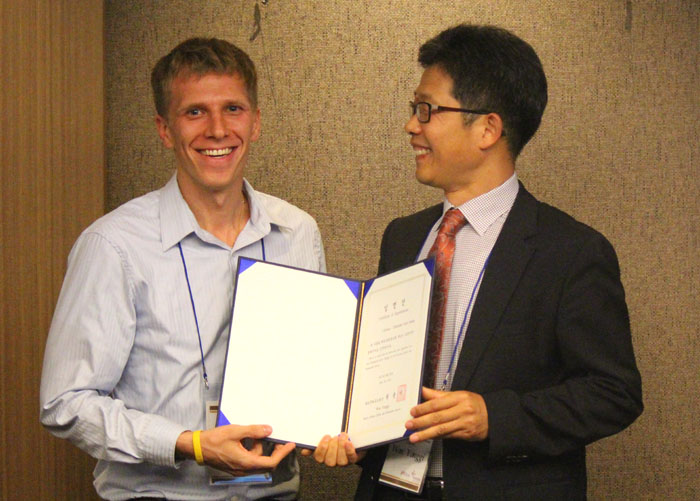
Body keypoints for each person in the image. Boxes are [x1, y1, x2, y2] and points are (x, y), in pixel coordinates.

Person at [347, 24, 643, 500]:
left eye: (428, 110)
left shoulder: (572, 252)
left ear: (488, 127)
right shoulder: (402, 237)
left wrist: (494, 417)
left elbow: (615, 394)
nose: (411, 126)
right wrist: (354, 431)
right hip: (392, 488)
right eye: (413, 109)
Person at [40, 38, 325, 500]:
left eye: (233, 109)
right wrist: (188, 444)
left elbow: (313, 367)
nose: (217, 129)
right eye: (195, 112)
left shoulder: (298, 232)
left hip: (275, 495)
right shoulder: (114, 245)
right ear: (164, 129)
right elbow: (64, 403)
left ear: (255, 123)